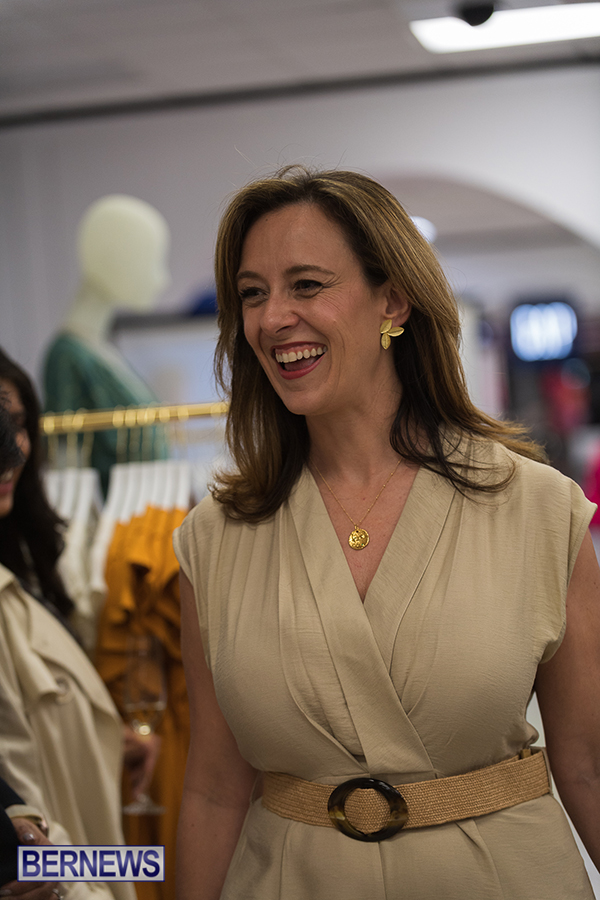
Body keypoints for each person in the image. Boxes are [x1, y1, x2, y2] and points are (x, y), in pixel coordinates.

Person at [174, 166, 600, 900]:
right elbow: (213, 791)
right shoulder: (214, 542)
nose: (272, 319)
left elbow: (588, 763)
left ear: (393, 301)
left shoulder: (538, 510)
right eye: (252, 293)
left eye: (307, 285)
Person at [0, 348, 149, 900]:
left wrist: (103, 735)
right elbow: (22, 806)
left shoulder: (33, 562)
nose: (14, 448)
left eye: (20, 425)